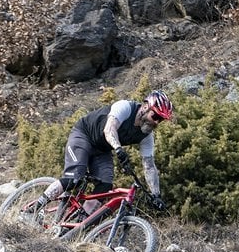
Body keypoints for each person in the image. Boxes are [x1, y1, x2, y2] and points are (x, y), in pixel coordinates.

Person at [31, 90, 173, 216]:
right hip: (83, 136)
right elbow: (109, 129)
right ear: (146, 107)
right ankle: (32, 210)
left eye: (160, 120)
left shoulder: (146, 136)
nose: (156, 123)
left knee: (105, 185)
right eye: (155, 117)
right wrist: (118, 148)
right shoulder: (125, 107)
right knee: (73, 179)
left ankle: (78, 223)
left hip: (102, 150)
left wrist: (156, 194)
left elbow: (149, 166)